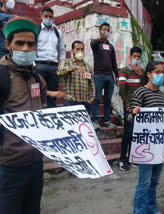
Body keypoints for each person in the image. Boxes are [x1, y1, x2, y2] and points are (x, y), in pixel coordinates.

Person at [0, 17, 48, 214]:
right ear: (7, 45)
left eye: (31, 44)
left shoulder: (39, 80)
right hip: (8, 168)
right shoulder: (1, 77)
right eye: (19, 43)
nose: (26, 48)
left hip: (36, 165)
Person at [130, 61, 164, 214]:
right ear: (149, 74)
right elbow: (130, 117)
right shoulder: (140, 92)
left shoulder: (162, 96)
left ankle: (152, 210)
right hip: (145, 147)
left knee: (154, 182)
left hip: (159, 146)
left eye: (162, 72)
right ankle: (139, 211)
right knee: (144, 182)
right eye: (157, 72)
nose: (161, 75)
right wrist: (134, 113)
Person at [118, 46, 144, 171]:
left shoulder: (142, 71)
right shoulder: (124, 71)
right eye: (134, 56)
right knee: (127, 134)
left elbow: (146, 87)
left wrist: (140, 74)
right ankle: (122, 159)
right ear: (130, 57)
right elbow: (122, 91)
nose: (136, 59)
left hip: (141, 108)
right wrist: (128, 105)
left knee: (136, 134)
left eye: (138, 57)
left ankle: (132, 158)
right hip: (129, 108)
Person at [35, 7, 66, 108]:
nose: (48, 18)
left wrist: (61, 65)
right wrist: (33, 65)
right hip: (39, 65)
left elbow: (61, 50)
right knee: (37, 95)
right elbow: (31, 47)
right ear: (41, 16)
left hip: (53, 67)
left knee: (53, 96)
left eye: (50, 16)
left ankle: (52, 119)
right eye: (46, 16)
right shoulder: (36, 29)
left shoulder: (58, 32)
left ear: (54, 18)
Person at [91, 23, 118, 129]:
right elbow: (92, 43)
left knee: (108, 99)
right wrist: (100, 38)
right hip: (98, 75)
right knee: (97, 99)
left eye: (107, 30)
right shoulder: (96, 44)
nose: (105, 32)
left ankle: (107, 121)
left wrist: (116, 75)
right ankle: (94, 121)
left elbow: (114, 62)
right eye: (103, 30)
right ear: (100, 31)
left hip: (109, 76)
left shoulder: (111, 46)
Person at [57, 40, 95, 113]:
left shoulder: (88, 67)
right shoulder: (66, 62)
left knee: (83, 124)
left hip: (85, 102)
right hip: (71, 101)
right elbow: (59, 72)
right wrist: (74, 68)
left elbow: (91, 84)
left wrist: (91, 99)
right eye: (77, 49)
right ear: (72, 50)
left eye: (82, 49)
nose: (80, 51)